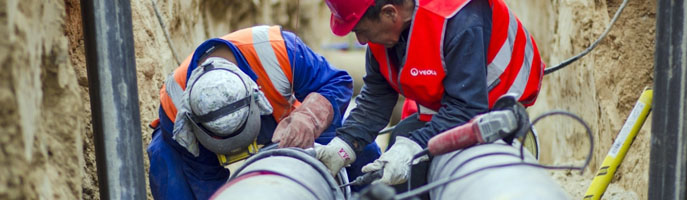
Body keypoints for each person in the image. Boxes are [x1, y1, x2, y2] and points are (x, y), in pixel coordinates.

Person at [315, 0, 545, 191]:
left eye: (361, 31)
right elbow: (377, 96)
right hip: (447, 107)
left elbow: (467, 108)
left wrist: (412, 147)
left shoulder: (459, 19)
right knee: (400, 140)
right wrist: (344, 144)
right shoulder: (385, 33)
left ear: (390, 13)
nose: (362, 41)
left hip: (494, 111)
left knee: (411, 157)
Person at [146, 25, 381, 200]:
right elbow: (204, 177)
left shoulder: (278, 51)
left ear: (256, 95)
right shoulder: (176, 106)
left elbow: (337, 83)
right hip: (202, 142)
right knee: (164, 158)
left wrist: (308, 118)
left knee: (358, 147)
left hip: (289, 124)